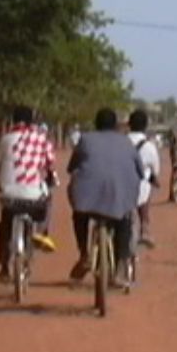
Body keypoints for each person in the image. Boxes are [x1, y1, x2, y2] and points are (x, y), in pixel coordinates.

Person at [67, 107, 143, 286]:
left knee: (79, 214)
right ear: (116, 125)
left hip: (87, 197)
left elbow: (71, 167)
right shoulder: (126, 142)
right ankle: (120, 267)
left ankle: (84, 254)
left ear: (96, 124)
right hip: (119, 197)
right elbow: (140, 171)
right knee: (124, 221)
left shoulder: (85, 140)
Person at [0, 105, 61, 283]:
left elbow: (2, 166)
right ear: (32, 121)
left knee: (5, 223)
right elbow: (50, 167)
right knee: (47, 200)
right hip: (34, 198)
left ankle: (3, 264)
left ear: (13, 120)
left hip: (9, 196)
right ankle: (41, 232)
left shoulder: (5, 139)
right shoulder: (42, 140)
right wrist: (51, 178)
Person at [127, 109, 161, 249]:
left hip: (120, 187)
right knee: (147, 187)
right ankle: (145, 227)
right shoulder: (150, 146)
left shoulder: (121, 142)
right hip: (140, 189)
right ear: (145, 126)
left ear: (129, 124)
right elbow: (155, 170)